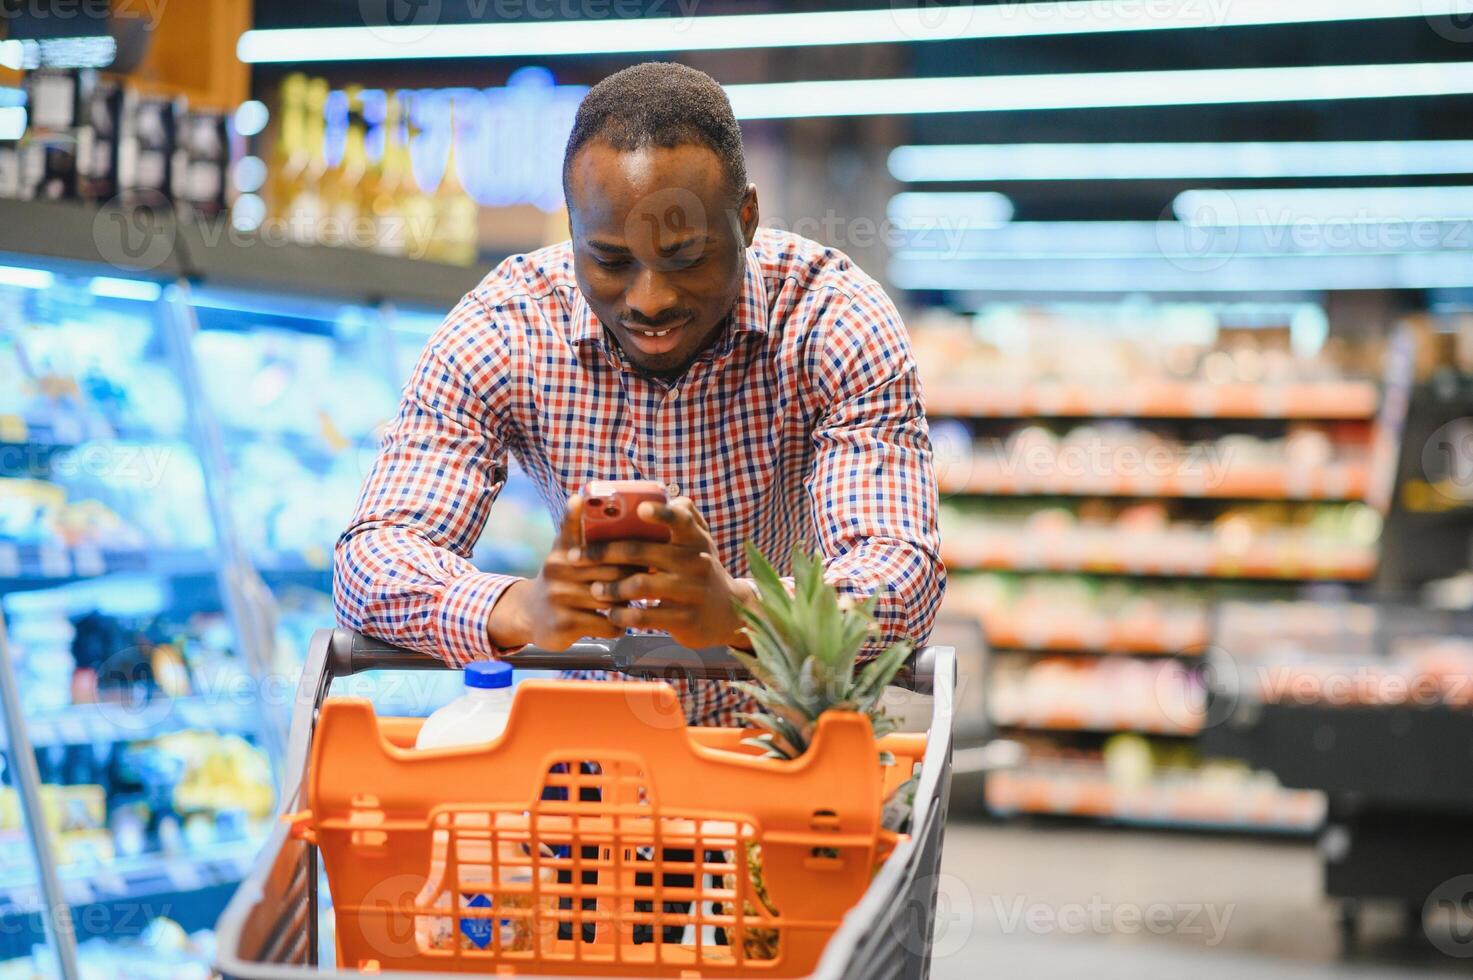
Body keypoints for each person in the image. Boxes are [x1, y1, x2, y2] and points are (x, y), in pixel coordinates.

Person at [334, 61, 944, 725]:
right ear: (569, 232)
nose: (649, 301)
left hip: (782, 758)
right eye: (610, 261)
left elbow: (900, 578)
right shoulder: (505, 325)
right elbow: (372, 561)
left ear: (746, 217)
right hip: (587, 762)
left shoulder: (832, 319)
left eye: (686, 256)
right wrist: (520, 608)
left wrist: (741, 611)